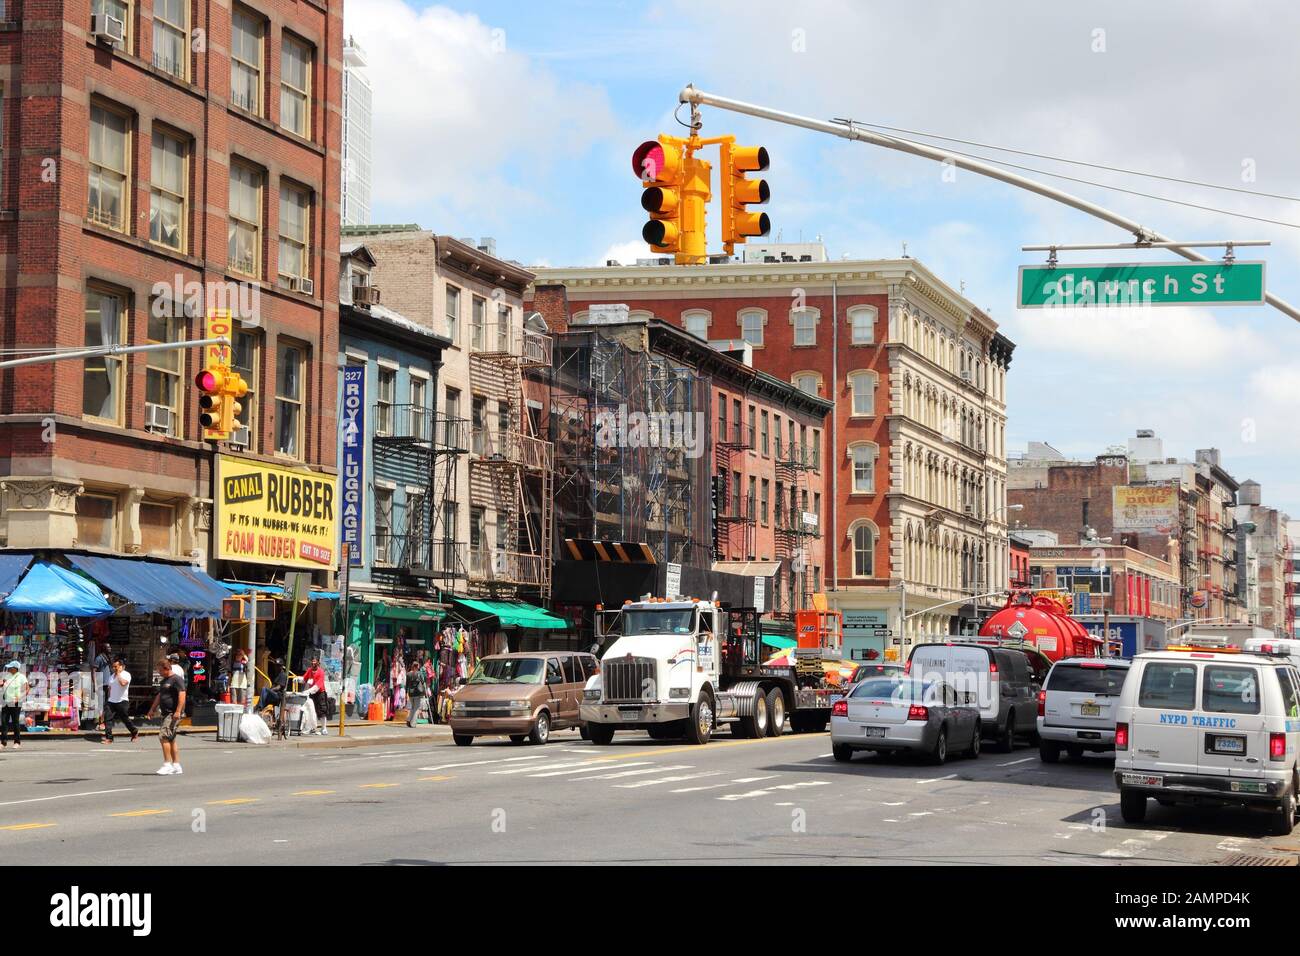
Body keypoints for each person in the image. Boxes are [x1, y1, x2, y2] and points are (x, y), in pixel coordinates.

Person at [146, 658, 186, 775]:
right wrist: (152, 709)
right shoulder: (165, 681)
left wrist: (178, 711)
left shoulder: (176, 680)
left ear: (166, 668)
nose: (158, 672)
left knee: (163, 736)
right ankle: (176, 765)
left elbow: (182, 695)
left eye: (160, 670)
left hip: (172, 713)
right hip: (165, 713)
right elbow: (160, 695)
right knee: (171, 739)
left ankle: (167, 764)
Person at [102, 657, 137, 745]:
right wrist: (108, 700)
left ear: (122, 667)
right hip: (111, 701)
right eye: (113, 667)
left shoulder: (126, 674)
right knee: (108, 719)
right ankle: (109, 738)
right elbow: (110, 689)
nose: (114, 669)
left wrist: (118, 674)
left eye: (116, 667)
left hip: (122, 701)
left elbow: (123, 684)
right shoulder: (111, 677)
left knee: (125, 719)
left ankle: (134, 731)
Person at [1, 661, 29, 748]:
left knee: (15, 722)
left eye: (10, 667)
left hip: (16, 702)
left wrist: (19, 698)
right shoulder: (7, 676)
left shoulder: (21, 677)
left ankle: (17, 742)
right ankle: (3, 742)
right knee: (4, 722)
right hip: (6, 702)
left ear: (15, 668)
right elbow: (3, 684)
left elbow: (27, 689)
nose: (8, 669)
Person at [303, 656, 329, 736]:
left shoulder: (321, 672)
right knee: (311, 710)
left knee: (322, 710)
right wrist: (298, 679)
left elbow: (318, 686)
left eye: (315, 661)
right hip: (311, 693)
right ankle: (312, 728)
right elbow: (304, 679)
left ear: (318, 663)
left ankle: (324, 728)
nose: (313, 663)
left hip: (320, 693)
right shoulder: (309, 670)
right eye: (312, 661)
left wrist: (308, 691)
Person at [405, 654, 429, 728]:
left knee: (413, 707)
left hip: (411, 693)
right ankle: (413, 723)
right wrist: (425, 691)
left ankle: (409, 720)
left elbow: (407, 684)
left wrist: (406, 692)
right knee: (416, 708)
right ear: (417, 666)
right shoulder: (419, 674)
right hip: (418, 693)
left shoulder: (408, 674)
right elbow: (423, 682)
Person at [93, 643, 112, 728]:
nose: (110, 648)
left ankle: (105, 721)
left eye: (110, 647)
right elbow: (93, 671)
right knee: (101, 704)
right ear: (104, 648)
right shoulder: (99, 658)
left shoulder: (108, 658)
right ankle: (100, 722)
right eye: (108, 647)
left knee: (107, 704)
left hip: (108, 685)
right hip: (101, 684)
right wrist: (95, 684)